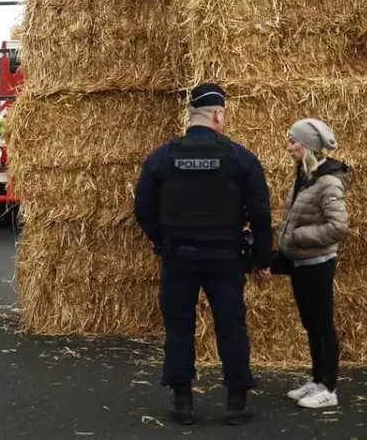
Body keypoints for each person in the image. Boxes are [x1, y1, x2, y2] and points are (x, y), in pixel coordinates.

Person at [133, 82, 273, 426]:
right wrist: (261, 259)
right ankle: (236, 403)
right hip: (225, 256)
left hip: (179, 256)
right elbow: (260, 213)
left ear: (191, 115)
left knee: (179, 327)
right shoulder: (241, 158)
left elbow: (143, 208)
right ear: (217, 113)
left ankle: (183, 403)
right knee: (231, 326)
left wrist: (162, 239)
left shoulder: (163, 157)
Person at [275, 118, 351, 410]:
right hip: (301, 262)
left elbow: (338, 227)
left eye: (293, 142)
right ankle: (316, 380)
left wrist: (299, 236)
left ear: (307, 145)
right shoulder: (305, 175)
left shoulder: (328, 181)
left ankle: (329, 388)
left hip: (317, 263)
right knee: (311, 324)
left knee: (322, 325)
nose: (289, 147)